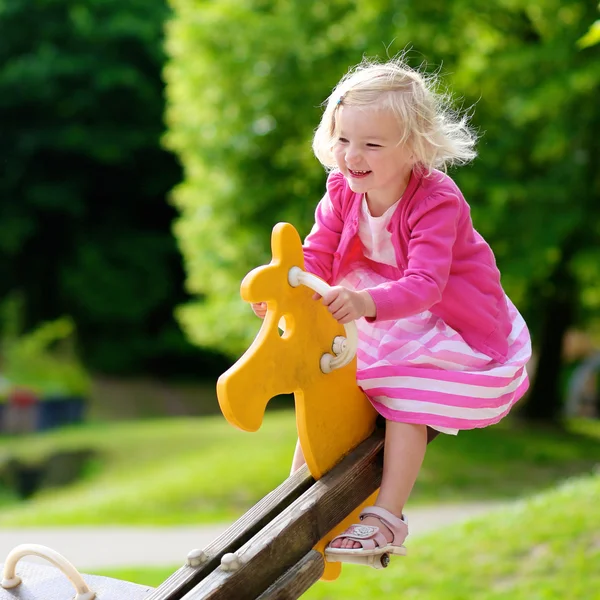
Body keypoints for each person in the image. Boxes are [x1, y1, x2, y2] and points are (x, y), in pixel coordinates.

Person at [251, 58, 531, 562]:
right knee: (329, 375)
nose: (352, 156)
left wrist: (362, 302)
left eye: (372, 144)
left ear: (413, 147)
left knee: (404, 393)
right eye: (342, 140)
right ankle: (295, 492)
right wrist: (286, 293)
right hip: (380, 307)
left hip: (445, 317)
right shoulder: (341, 188)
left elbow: (425, 285)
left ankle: (388, 518)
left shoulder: (436, 198)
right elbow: (316, 253)